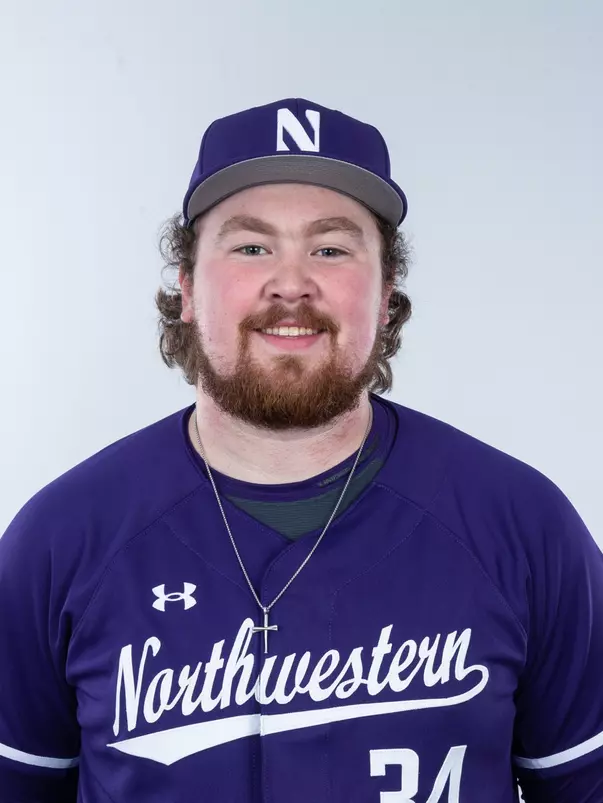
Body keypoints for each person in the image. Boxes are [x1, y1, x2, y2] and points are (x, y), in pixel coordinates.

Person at [0, 97, 601, 803]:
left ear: (384, 296)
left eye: (331, 248)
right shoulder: (62, 539)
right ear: (188, 289)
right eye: (251, 246)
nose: (291, 284)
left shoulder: (521, 526)